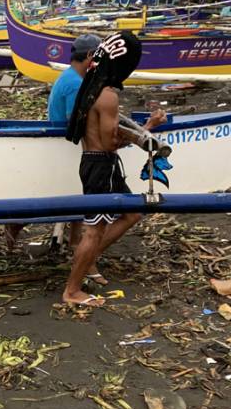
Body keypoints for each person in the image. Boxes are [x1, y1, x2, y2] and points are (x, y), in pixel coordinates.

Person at [62, 31, 166, 308]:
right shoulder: (107, 96)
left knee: (132, 213)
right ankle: (72, 290)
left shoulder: (89, 87)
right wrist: (146, 130)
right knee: (93, 230)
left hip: (98, 164)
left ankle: (87, 260)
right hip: (100, 165)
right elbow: (111, 143)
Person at [5, 35, 102, 254]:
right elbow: (74, 119)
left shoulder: (70, 76)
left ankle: (75, 240)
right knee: (65, 193)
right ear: (89, 56)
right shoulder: (75, 83)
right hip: (64, 143)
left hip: (62, 141)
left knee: (76, 193)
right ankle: (18, 223)